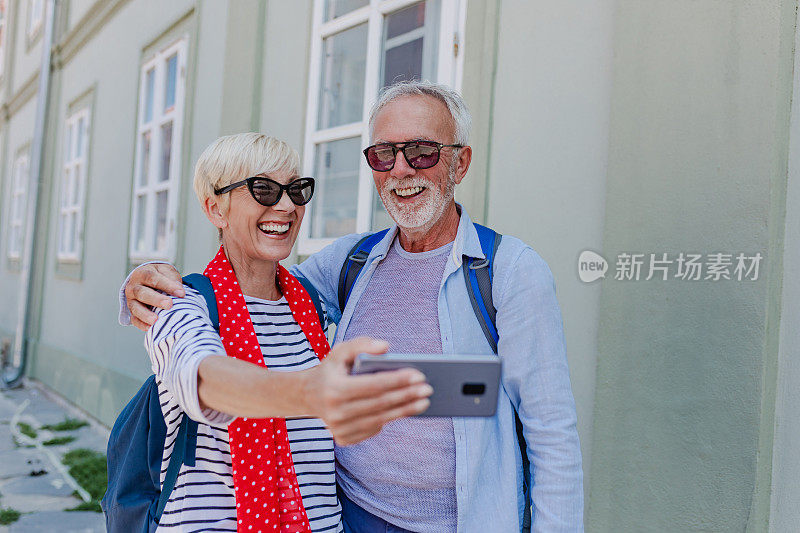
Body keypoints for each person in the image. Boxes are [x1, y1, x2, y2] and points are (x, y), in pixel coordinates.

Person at [122, 81, 583, 532]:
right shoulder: (345, 265)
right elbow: (207, 361)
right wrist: (146, 279)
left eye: (421, 152)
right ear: (214, 209)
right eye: (384, 154)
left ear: (459, 163)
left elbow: (551, 433)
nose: (401, 170)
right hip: (354, 517)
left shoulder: (510, 271)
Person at [138, 132, 432, 532]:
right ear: (215, 209)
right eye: (263, 189)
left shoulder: (309, 300)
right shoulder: (181, 305)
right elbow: (202, 377)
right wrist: (309, 392)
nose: (286, 205)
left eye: (296, 190)